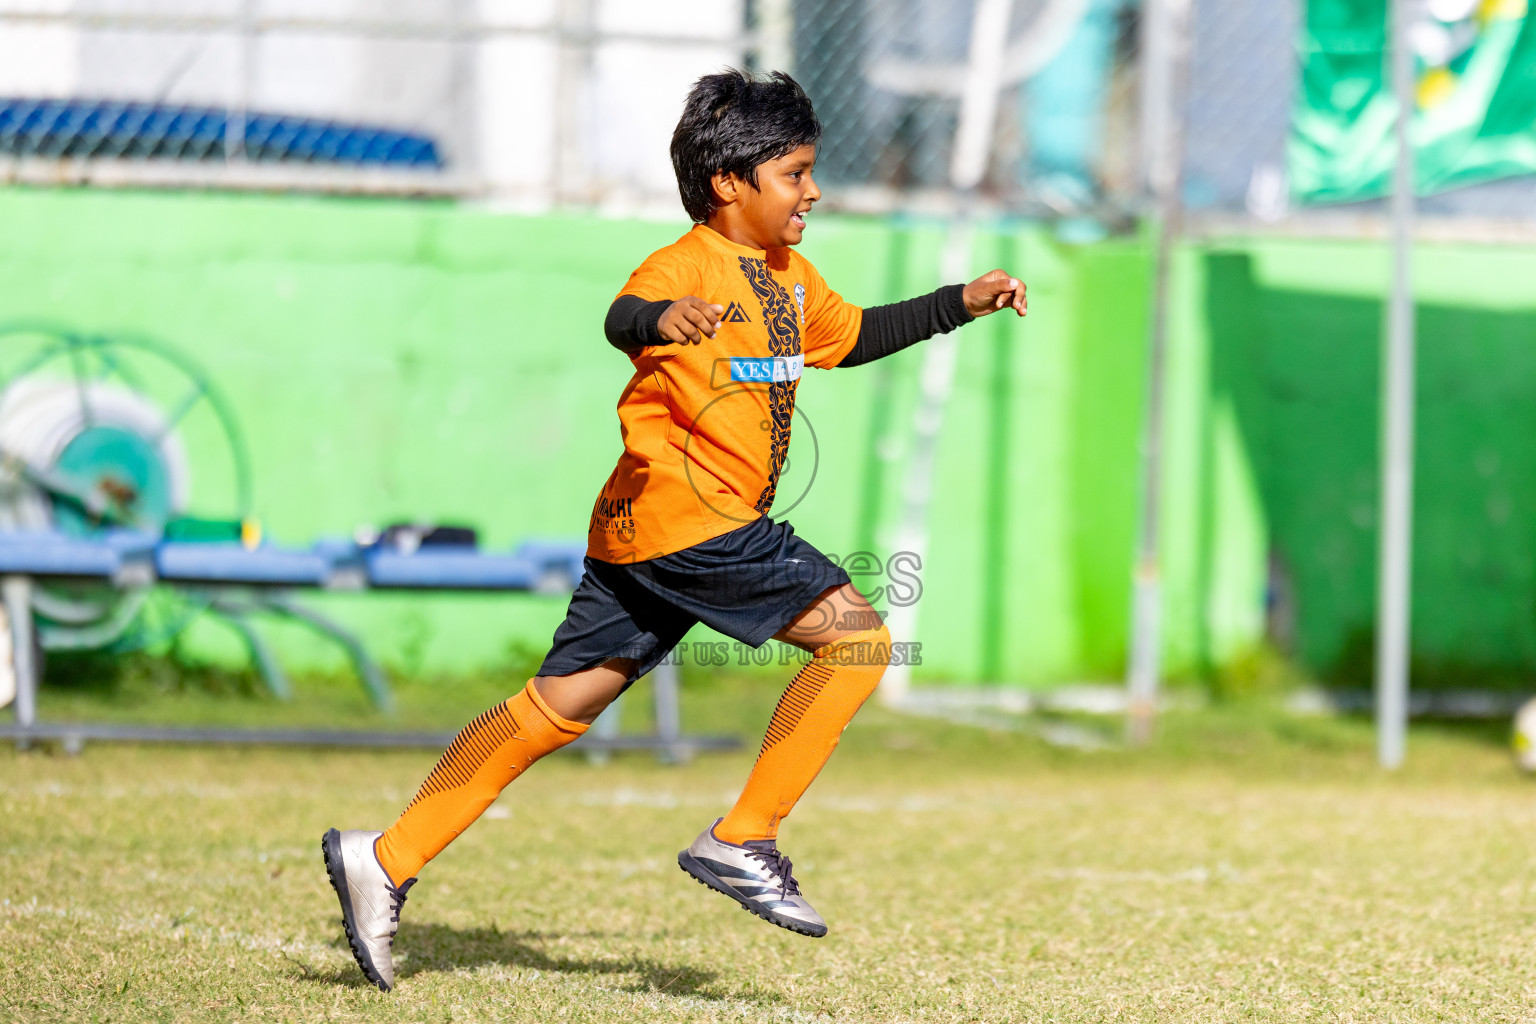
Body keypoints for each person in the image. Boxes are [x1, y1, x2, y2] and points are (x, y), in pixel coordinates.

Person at [322, 68, 1027, 992]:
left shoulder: (789, 275)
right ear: (731, 184)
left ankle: (386, 855)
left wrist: (956, 303)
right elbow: (622, 318)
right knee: (859, 642)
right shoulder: (685, 264)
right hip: (699, 523)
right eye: (795, 173)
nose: (812, 190)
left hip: (640, 536)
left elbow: (850, 335)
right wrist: (660, 318)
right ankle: (745, 838)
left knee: (556, 707)